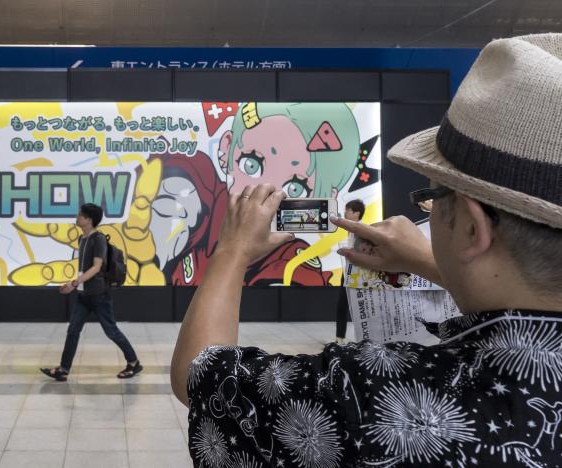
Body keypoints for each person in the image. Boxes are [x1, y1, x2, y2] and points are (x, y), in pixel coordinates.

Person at [171, 34, 562, 467]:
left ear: (472, 228)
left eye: (433, 196)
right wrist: (431, 263)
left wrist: (232, 251)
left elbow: (199, 376)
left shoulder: (370, 394)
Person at [41, 203, 142, 382]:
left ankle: (133, 363)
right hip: (83, 294)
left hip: (99, 295)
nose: (77, 217)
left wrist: (73, 283)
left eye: (80, 215)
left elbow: (96, 268)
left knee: (111, 331)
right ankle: (63, 369)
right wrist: (76, 284)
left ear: (89, 219)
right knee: (73, 330)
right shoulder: (82, 239)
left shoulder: (98, 239)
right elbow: (85, 269)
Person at [335, 199, 365, 343]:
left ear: (357, 213)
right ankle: (339, 338)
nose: (345, 212)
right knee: (342, 304)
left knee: (354, 306)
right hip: (348, 270)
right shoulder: (352, 230)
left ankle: (361, 338)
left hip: (358, 272)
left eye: (348, 210)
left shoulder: (362, 230)